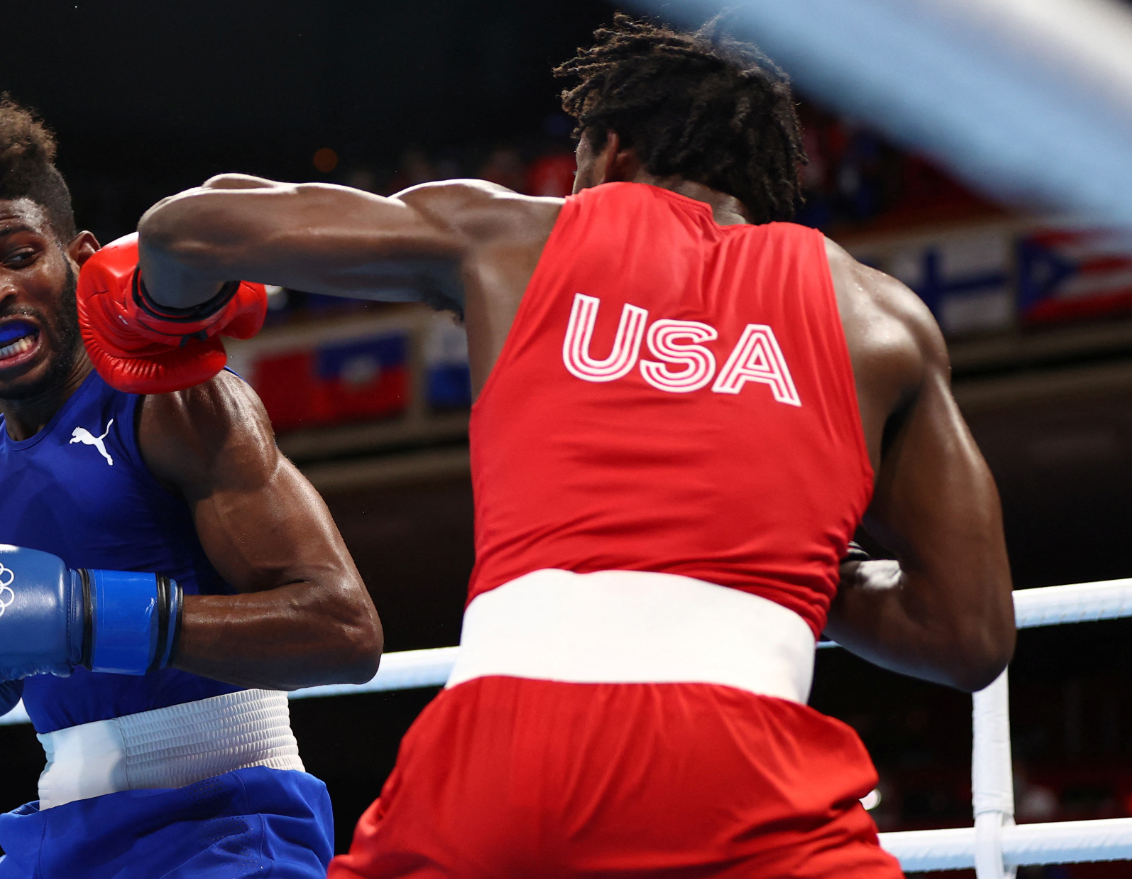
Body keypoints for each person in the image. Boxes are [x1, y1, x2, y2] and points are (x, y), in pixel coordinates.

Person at [78, 16, 1016, 878]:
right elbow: (966, 636)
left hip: (498, 758)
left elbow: (185, 226)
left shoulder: (513, 234)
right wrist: (782, 560)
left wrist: (159, 317)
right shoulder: (882, 317)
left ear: (614, 149)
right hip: (743, 765)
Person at [0, 98, 382, 879]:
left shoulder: (172, 401)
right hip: (59, 839)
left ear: (80, 257)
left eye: (19, 255)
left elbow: (346, 629)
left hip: (226, 824)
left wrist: (89, 617)